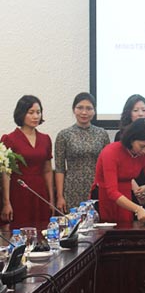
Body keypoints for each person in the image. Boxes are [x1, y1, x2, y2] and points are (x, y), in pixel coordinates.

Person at [94, 118, 145, 223]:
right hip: (105, 198)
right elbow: (111, 191)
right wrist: (138, 209)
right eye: (142, 146)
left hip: (126, 198)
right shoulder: (111, 152)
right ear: (131, 139)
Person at [1, 95, 54, 227]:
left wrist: (51, 199)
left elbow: (47, 170)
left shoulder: (45, 139)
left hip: (40, 190)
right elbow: (6, 173)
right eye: (31, 112)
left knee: (42, 229)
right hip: (19, 191)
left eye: (38, 112)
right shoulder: (9, 139)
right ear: (22, 113)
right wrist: (6, 202)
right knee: (20, 228)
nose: (36, 116)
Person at [55, 92, 110, 211]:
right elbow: (59, 169)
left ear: (94, 111)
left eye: (89, 108)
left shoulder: (102, 134)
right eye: (80, 108)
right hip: (72, 188)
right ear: (73, 110)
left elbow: (108, 166)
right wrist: (60, 196)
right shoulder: (64, 135)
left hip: (97, 187)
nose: (84, 112)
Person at [115, 94, 145, 166]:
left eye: (144, 110)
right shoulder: (120, 135)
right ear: (128, 113)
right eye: (135, 110)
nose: (140, 114)